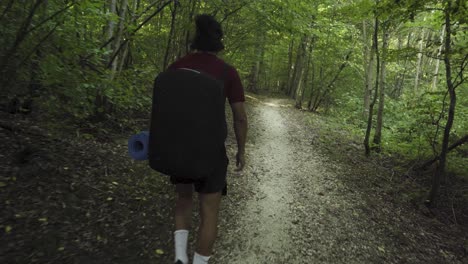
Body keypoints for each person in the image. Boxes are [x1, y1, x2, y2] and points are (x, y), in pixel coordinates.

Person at [166, 14, 248, 264]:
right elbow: (240, 117)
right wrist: (241, 151)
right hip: (211, 154)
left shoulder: (176, 67)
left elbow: (164, 111)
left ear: (195, 38)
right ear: (219, 41)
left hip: (180, 150)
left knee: (183, 199)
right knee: (209, 213)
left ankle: (180, 257)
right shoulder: (228, 73)